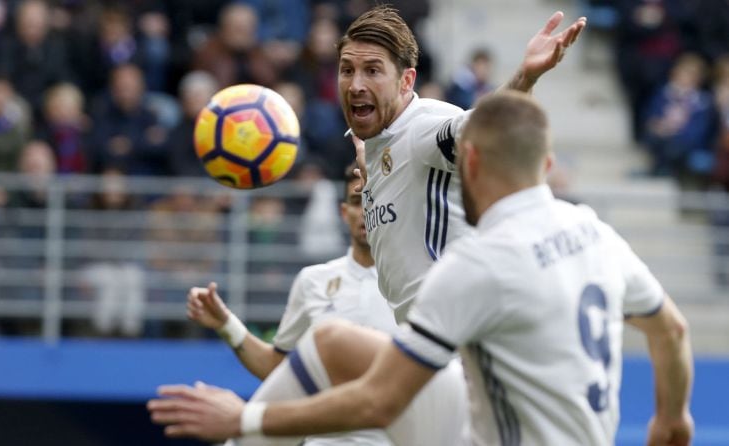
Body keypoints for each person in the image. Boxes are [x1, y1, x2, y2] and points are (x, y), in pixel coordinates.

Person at [150, 90, 695, 446]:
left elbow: (380, 401)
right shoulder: (594, 231)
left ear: (471, 162)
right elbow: (670, 330)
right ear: (548, 165)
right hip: (540, 426)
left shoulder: (478, 265)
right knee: (334, 342)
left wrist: (242, 419)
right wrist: (672, 419)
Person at [148, 5, 586, 443]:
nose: (355, 84)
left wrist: (526, 78)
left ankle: (240, 426)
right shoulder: (377, 146)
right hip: (435, 353)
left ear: (406, 80)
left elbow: (481, 129)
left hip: (459, 358)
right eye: (346, 69)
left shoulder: (422, 129)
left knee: (323, 356)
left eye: (373, 71)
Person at [186, 163, 397, 445]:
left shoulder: (417, 280)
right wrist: (227, 324)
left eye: (374, 199)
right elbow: (281, 369)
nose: (366, 211)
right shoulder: (313, 281)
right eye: (357, 201)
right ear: (344, 213)